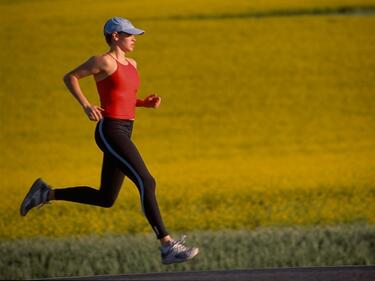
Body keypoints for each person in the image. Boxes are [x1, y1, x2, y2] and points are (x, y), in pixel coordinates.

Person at [20, 16, 198, 265]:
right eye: (129, 34)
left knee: (106, 198)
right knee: (147, 180)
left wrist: (143, 103)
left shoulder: (132, 63)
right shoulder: (102, 61)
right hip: (110, 130)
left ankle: (45, 194)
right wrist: (86, 105)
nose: (134, 38)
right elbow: (70, 77)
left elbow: (122, 96)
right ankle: (167, 245)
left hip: (126, 129)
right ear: (115, 36)